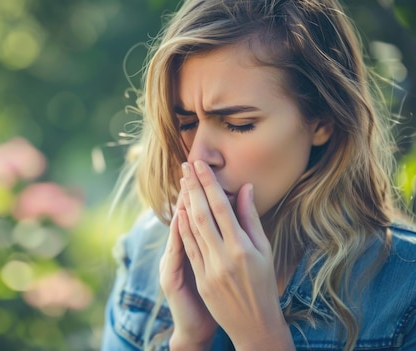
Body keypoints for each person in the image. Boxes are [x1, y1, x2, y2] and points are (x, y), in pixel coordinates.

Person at [101, 0, 416, 350]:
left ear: (322, 122)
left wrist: (260, 337)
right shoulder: (148, 252)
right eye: (186, 123)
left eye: (239, 124)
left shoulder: (405, 291)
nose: (198, 157)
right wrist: (190, 339)